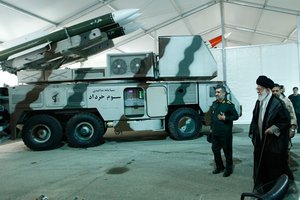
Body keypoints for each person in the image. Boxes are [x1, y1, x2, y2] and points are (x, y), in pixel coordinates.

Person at [249, 76, 293, 194]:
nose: (257, 91)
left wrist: (273, 129)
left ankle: (274, 191)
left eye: (260, 89)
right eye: (257, 88)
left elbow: (285, 120)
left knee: (273, 168)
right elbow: (255, 118)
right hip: (261, 142)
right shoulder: (259, 102)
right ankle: (263, 188)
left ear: (267, 90)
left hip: (273, 144)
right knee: (262, 166)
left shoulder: (277, 103)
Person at [210, 85, 239, 177]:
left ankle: (228, 169)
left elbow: (236, 116)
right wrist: (211, 129)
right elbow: (212, 117)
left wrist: (225, 118)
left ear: (224, 93)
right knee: (215, 150)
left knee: (227, 152)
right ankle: (219, 167)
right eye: (216, 92)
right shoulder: (214, 103)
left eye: (218, 92)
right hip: (215, 133)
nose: (216, 94)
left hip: (225, 133)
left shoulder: (229, 104)